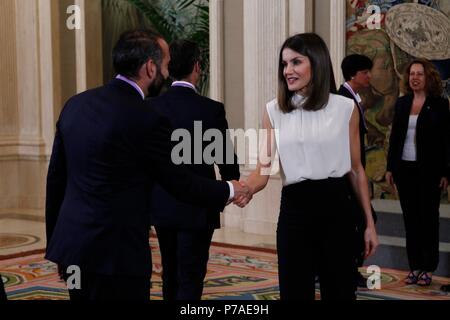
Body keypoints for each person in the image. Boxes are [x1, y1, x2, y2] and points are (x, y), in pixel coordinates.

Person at [45, 29, 249, 301]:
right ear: (150, 67)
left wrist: (56, 244)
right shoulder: (146, 118)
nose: (167, 73)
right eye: (164, 64)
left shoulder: (75, 104)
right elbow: (180, 182)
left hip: (73, 249)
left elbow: (56, 180)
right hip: (119, 255)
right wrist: (230, 189)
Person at [234, 33, 378, 300]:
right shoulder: (274, 110)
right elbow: (262, 171)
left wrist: (369, 223)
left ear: (317, 62)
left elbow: (356, 169)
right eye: (284, 64)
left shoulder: (345, 108)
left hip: (338, 211)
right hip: (295, 213)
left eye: (296, 62)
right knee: (294, 292)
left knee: (339, 292)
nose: (288, 70)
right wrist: (244, 189)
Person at [149, 40, 240, 300]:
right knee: (191, 274)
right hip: (200, 205)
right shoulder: (210, 109)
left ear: (167, 68)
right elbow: (225, 159)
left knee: (169, 272)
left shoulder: (152, 107)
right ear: (197, 67)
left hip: (162, 204)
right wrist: (234, 187)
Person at [386, 58, 450, 287]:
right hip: (405, 169)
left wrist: (445, 172)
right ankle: (414, 267)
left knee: (428, 221)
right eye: (411, 74)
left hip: (430, 171)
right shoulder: (403, 103)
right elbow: (395, 138)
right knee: (410, 220)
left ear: (428, 77)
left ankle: (428, 268)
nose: (414, 77)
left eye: (419, 74)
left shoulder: (440, 104)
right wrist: (390, 167)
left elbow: (445, 141)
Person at [338, 54, 378, 288]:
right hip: (345, 175)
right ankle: (348, 269)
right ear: (354, 74)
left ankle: (350, 268)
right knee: (363, 218)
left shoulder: (353, 97)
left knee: (365, 218)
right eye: (366, 72)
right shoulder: (342, 99)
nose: (369, 76)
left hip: (353, 172)